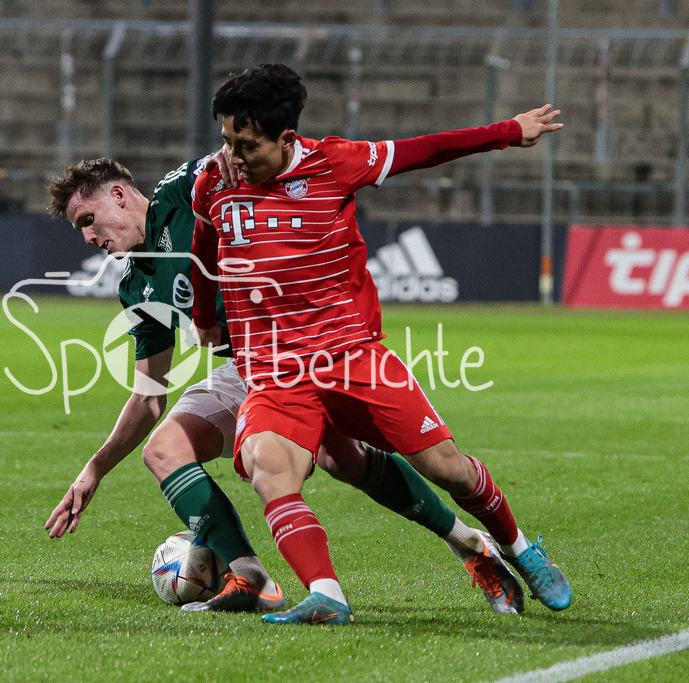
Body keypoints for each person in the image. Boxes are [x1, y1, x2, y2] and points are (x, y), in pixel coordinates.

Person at [44, 156, 526, 615]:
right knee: (165, 449)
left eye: (88, 219)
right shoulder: (136, 286)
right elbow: (150, 396)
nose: (88, 237)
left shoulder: (179, 193)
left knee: (350, 458)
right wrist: (93, 471)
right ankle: (250, 577)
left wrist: (233, 153)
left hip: (306, 341)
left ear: (119, 195)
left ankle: (469, 543)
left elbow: (232, 160)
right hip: (247, 368)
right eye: (79, 229)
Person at [191, 63, 572, 625]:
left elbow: (424, 150)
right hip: (274, 371)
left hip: (352, 356)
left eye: (246, 146)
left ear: (287, 139)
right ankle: (328, 597)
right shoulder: (214, 183)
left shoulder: (334, 163)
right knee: (269, 468)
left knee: (449, 470)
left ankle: (518, 548)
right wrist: (204, 317)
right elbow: (203, 249)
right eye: (226, 141)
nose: (233, 156)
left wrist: (509, 131)